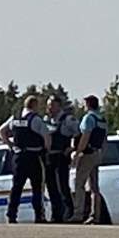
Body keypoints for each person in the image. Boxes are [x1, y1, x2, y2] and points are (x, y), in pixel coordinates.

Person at [0, 95, 52, 223]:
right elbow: (46, 137)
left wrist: (10, 145)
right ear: (34, 105)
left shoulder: (15, 118)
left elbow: (1, 131)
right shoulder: (36, 120)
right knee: (37, 188)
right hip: (33, 157)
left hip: (18, 157)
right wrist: (46, 150)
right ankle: (39, 216)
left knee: (16, 187)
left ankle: (11, 215)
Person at [72, 94, 109, 224]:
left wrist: (78, 152)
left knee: (79, 184)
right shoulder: (102, 120)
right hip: (97, 153)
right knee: (94, 187)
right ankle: (95, 215)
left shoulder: (89, 118)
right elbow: (105, 139)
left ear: (88, 104)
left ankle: (78, 213)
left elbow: (85, 136)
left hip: (87, 154)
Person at [43, 95, 80, 223]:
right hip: (49, 158)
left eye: (52, 105)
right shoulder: (46, 120)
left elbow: (79, 133)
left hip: (61, 157)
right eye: (48, 105)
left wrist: (72, 148)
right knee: (51, 188)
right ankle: (56, 214)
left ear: (58, 106)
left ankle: (68, 213)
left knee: (62, 186)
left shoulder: (67, 119)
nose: (49, 108)